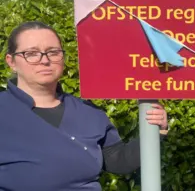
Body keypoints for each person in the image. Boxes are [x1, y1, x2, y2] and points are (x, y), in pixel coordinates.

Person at [0, 21, 168, 191]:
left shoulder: (88, 112)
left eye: (53, 52)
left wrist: (157, 131)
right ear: (11, 61)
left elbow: (118, 161)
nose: (45, 60)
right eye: (32, 53)